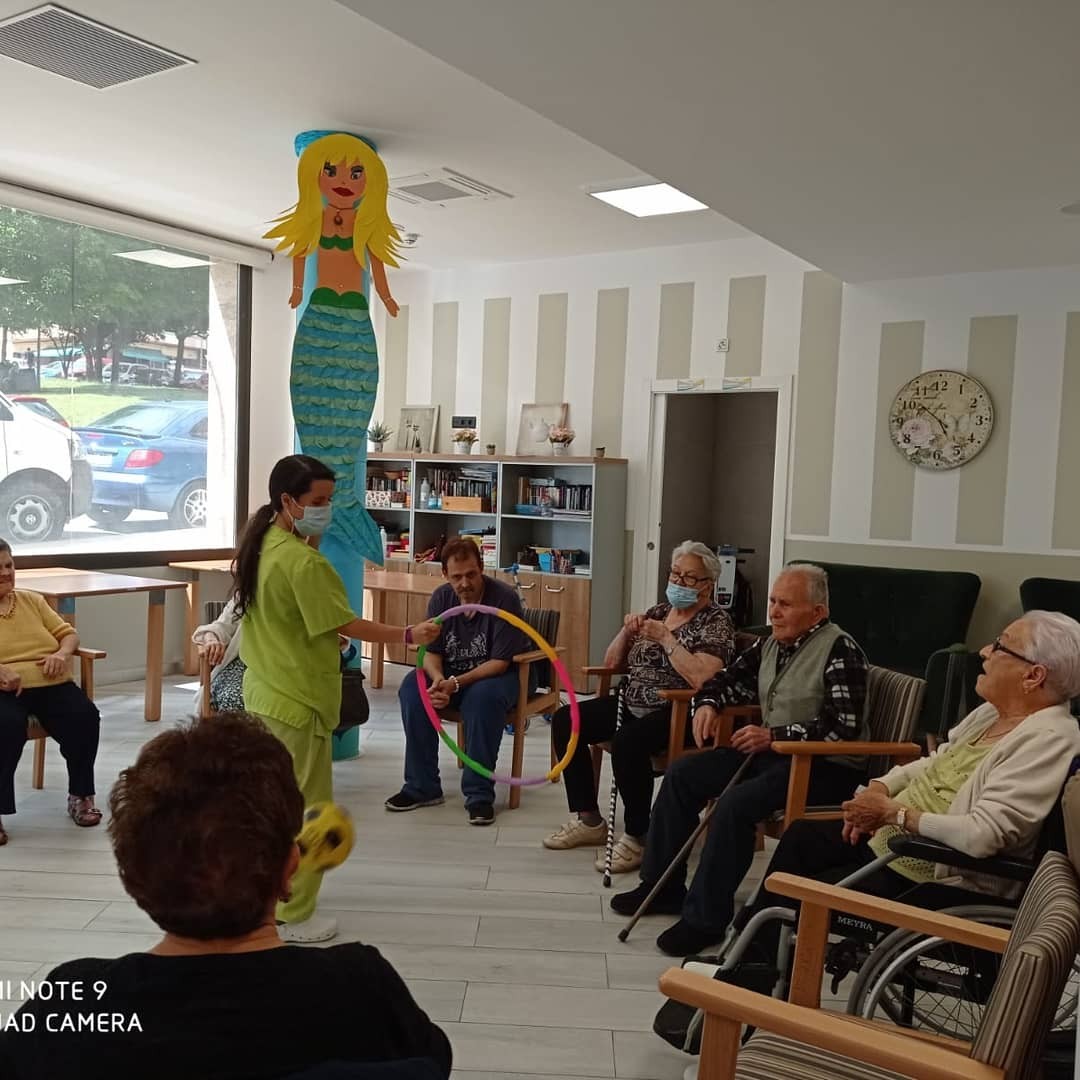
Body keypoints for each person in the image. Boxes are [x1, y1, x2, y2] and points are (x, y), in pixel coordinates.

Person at [0, 712, 452, 1080]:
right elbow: (434, 1060)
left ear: (132, 876)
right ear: (290, 870)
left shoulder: (75, 1002)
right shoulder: (362, 987)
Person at [706, 610, 1080, 991]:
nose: (985, 650)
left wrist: (895, 815)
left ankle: (750, 979)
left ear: (1034, 676)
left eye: (1000, 646)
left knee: (795, 895)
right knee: (801, 837)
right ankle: (747, 962)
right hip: (894, 845)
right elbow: (934, 762)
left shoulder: (1048, 739)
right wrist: (879, 790)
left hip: (933, 872)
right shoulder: (992, 713)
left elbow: (984, 834)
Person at [612, 563, 870, 957]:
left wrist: (775, 736)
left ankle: (704, 920)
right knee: (683, 773)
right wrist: (708, 704)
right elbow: (723, 680)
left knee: (735, 804)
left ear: (818, 612)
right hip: (773, 755)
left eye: (785, 604)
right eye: (773, 602)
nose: (774, 612)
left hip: (825, 767)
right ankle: (661, 888)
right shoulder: (771, 644)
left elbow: (843, 726)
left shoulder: (840, 649)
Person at [235, 454, 440, 944]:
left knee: (271, 807)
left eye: (328, 500)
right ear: (288, 501)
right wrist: (407, 634)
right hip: (297, 701)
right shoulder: (303, 562)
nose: (325, 510)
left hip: (263, 693)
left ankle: (262, 899)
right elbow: (346, 621)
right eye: (319, 501)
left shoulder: (263, 544)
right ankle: (295, 913)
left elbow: (301, 619)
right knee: (310, 813)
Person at [543, 541, 735, 873]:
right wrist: (626, 630)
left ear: (708, 585)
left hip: (678, 710)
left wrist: (667, 640)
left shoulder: (716, 622)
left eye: (690, 577)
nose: (679, 582)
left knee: (628, 741)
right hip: (631, 700)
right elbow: (611, 663)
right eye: (675, 574)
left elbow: (704, 678)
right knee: (566, 719)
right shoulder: (659, 612)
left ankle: (638, 836)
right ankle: (589, 819)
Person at [385, 537, 530, 826]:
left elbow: (500, 663)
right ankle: (422, 786)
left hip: (500, 675)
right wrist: (438, 679)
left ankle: (479, 795)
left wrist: (455, 683)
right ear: (445, 574)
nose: (465, 583)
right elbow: (430, 651)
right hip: (453, 674)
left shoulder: (505, 598)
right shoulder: (441, 598)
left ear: (482, 568)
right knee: (413, 690)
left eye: (471, 574)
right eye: (457, 577)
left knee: (482, 699)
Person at [0, 538, 100, 844]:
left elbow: (68, 634)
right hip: (5, 689)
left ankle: (80, 795)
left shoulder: (32, 600)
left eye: (9, 565)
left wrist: (62, 654)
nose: (5, 573)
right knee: (6, 726)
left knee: (84, 716)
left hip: (50, 682)